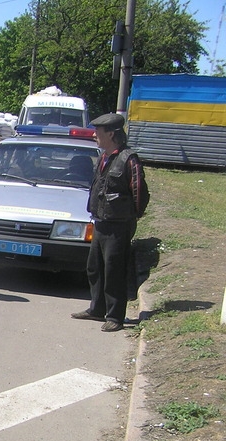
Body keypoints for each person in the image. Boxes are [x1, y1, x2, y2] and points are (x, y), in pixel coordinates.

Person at [71, 113, 149, 332]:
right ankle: (97, 309)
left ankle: (115, 316)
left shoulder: (128, 158)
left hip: (118, 224)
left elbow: (139, 191)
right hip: (101, 220)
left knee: (114, 270)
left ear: (112, 134)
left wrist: (131, 216)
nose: (95, 135)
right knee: (94, 267)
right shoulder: (104, 156)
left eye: (99, 132)